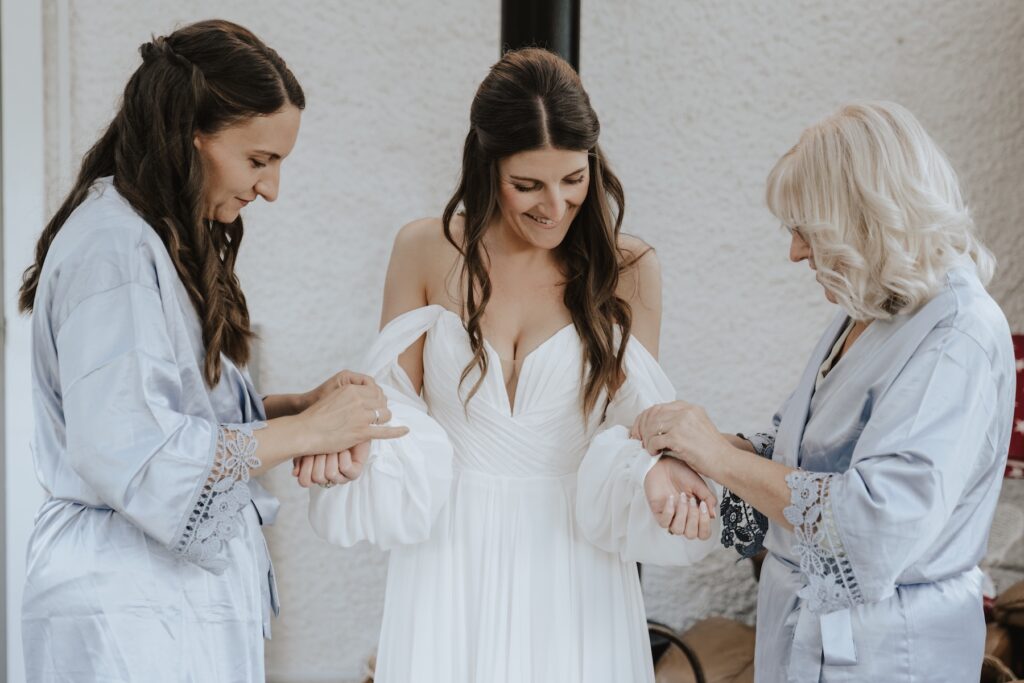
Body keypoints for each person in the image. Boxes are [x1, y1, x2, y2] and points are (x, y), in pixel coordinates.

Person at [298, 48, 720, 682]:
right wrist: (345, 448)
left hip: (574, 558)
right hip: (447, 554)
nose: (554, 205)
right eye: (528, 185)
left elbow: (635, 427)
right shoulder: (424, 250)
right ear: (485, 166)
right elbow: (392, 413)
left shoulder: (628, 269)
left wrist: (658, 469)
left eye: (573, 179)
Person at [19, 20, 405, 682]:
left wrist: (299, 408)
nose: (271, 189)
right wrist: (305, 430)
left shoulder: (155, 238)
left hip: (160, 605)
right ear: (190, 134)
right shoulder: (112, 250)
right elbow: (134, 450)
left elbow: (178, 411)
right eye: (259, 160)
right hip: (124, 613)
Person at [633, 101, 1015, 682]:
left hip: (887, 657)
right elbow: (800, 454)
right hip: (802, 636)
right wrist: (703, 450)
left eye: (807, 230)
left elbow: (875, 523)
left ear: (865, 218)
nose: (796, 252)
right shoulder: (870, 307)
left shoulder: (957, 335)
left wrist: (713, 454)